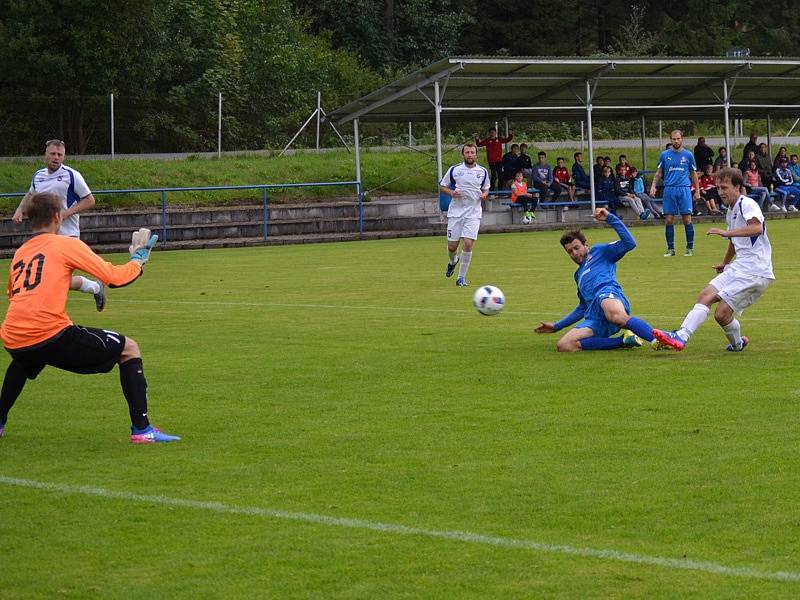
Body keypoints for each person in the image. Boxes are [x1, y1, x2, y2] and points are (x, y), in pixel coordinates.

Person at [0, 192, 179, 443]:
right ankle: (142, 429)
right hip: (49, 333)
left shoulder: (21, 253)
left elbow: (23, 290)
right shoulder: (65, 244)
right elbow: (115, 278)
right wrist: (138, 261)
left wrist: (89, 286)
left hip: (13, 336)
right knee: (129, 348)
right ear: (57, 218)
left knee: (24, 360)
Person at [653, 168, 774, 353]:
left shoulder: (747, 204)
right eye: (718, 188)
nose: (721, 192)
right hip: (740, 266)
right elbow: (735, 242)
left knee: (714, 305)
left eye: (725, 187)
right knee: (717, 310)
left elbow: (756, 228)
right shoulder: (731, 211)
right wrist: (725, 262)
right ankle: (737, 344)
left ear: (738, 187)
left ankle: (681, 336)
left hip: (755, 271)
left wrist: (726, 233)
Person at [534, 208, 657, 352]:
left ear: (586, 245)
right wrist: (556, 326)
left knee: (615, 315)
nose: (574, 253)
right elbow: (582, 308)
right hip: (595, 317)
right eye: (570, 251)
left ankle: (660, 339)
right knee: (564, 345)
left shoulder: (599, 251)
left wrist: (610, 218)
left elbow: (629, 243)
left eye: (576, 248)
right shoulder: (578, 275)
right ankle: (624, 341)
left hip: (607, 294)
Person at [12, 139, 106, 311]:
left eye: (59, 155)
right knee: (53, 279)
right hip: (45, 236)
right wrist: (20, 210)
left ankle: (92, 289)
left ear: (64, 156)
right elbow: (30, 194)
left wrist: (64, 213)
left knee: (56, 279)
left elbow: (90, 200)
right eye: (53, 154)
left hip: (67, 235)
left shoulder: (72, 175)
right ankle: (94, 287)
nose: (56, 158)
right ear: (45, 155)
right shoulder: (38, 176)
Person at [440, 143, 490, 287]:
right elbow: (442, 186)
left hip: (473, 213)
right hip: (456, 213)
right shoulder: (454, 170)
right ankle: (452, 261)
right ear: (463, 154)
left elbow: (486, 188)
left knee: (468, 244)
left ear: (476, 155)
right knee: (452, 247)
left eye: (472, 152)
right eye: (467, 152)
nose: (469, 155)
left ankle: (461, 278)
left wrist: (484, 195)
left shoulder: (482, 172)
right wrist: (451, 193)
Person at [649, 130, 700, 257]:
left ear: (682, 139)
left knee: (687, 219)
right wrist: (653, 185)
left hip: (684, 189)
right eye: (673, 139)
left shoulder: (688, 155)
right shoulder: (665, 155)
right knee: (669, 219)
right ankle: (670, 249)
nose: (676, 141)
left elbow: (693, 174)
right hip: (669, 189)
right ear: (670, 140)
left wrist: (697, 190)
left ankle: (690, 247)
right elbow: (659, 173)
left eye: (678, 138)